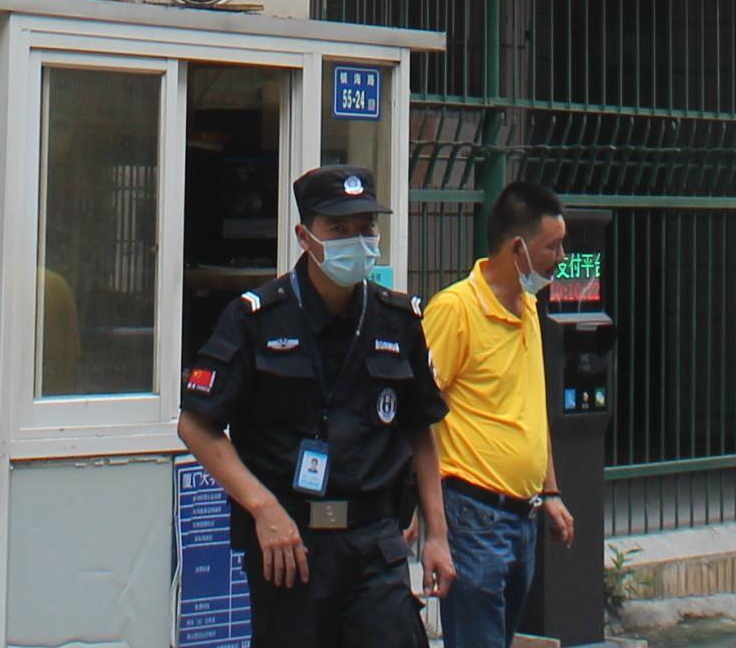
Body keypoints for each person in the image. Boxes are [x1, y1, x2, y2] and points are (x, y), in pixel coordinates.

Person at [181, 163, 455, 646]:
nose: (357, 241)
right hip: (291, 545)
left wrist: (438, 534)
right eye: (339, 229)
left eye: (366, 227)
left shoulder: (398, 319)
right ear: (305, 237)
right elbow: (196, 425)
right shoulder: (257, 318)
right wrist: (262, 507)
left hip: (375, 541)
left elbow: (420, 428)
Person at [420, 179, 576, 648]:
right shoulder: (455, 310)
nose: (561, 257)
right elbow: (417, 413)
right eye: (552, 246)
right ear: (517, 249)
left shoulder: (528, 306)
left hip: (522, 517)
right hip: (473, 515)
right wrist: (429, 522)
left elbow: (531, 407)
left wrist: (550, 491)